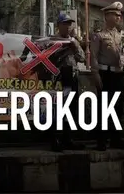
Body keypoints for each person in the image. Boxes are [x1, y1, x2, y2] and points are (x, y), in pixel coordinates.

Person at [91, 1, 124, 150]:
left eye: (120, 15)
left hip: (120, 74)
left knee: (119, 108)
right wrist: (95, 73)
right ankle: (101, 140)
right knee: (104, 108)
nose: (119, 17)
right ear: (107, 16)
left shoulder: (122, 36)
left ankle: (116, 139)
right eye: (116, 14)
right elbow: (93, 56)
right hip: (105, 73)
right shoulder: (98, 35)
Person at [47, 12, 85, 151]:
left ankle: (68, 138)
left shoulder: (74, 41)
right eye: (65, 24)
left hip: (72, 76)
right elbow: (47, 59)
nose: (68, 27)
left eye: (70, 24)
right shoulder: (52, 41)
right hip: (58, 77)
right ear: (59, 25)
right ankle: (55, 140)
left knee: (72, 109)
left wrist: (75, 47)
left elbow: (81, 58)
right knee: (57, 109)